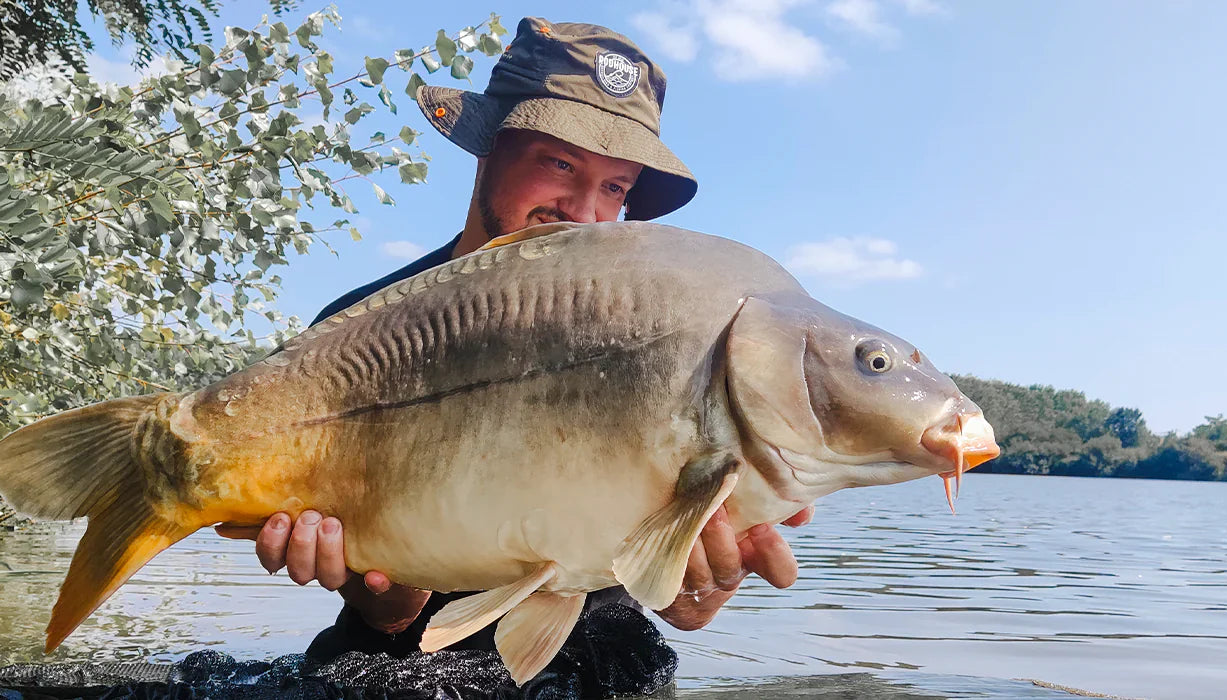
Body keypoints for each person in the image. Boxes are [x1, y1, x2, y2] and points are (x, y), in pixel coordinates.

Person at [213, 17, 813, 667]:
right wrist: (380, 592)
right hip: (397, 662)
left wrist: (702, 584)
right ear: (489, 148)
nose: (584, 210)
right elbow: (390, 612)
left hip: (594, 654)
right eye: (559, 162)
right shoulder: (351, 333)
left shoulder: (670, 342)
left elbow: (684, 608)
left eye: (615, 187)